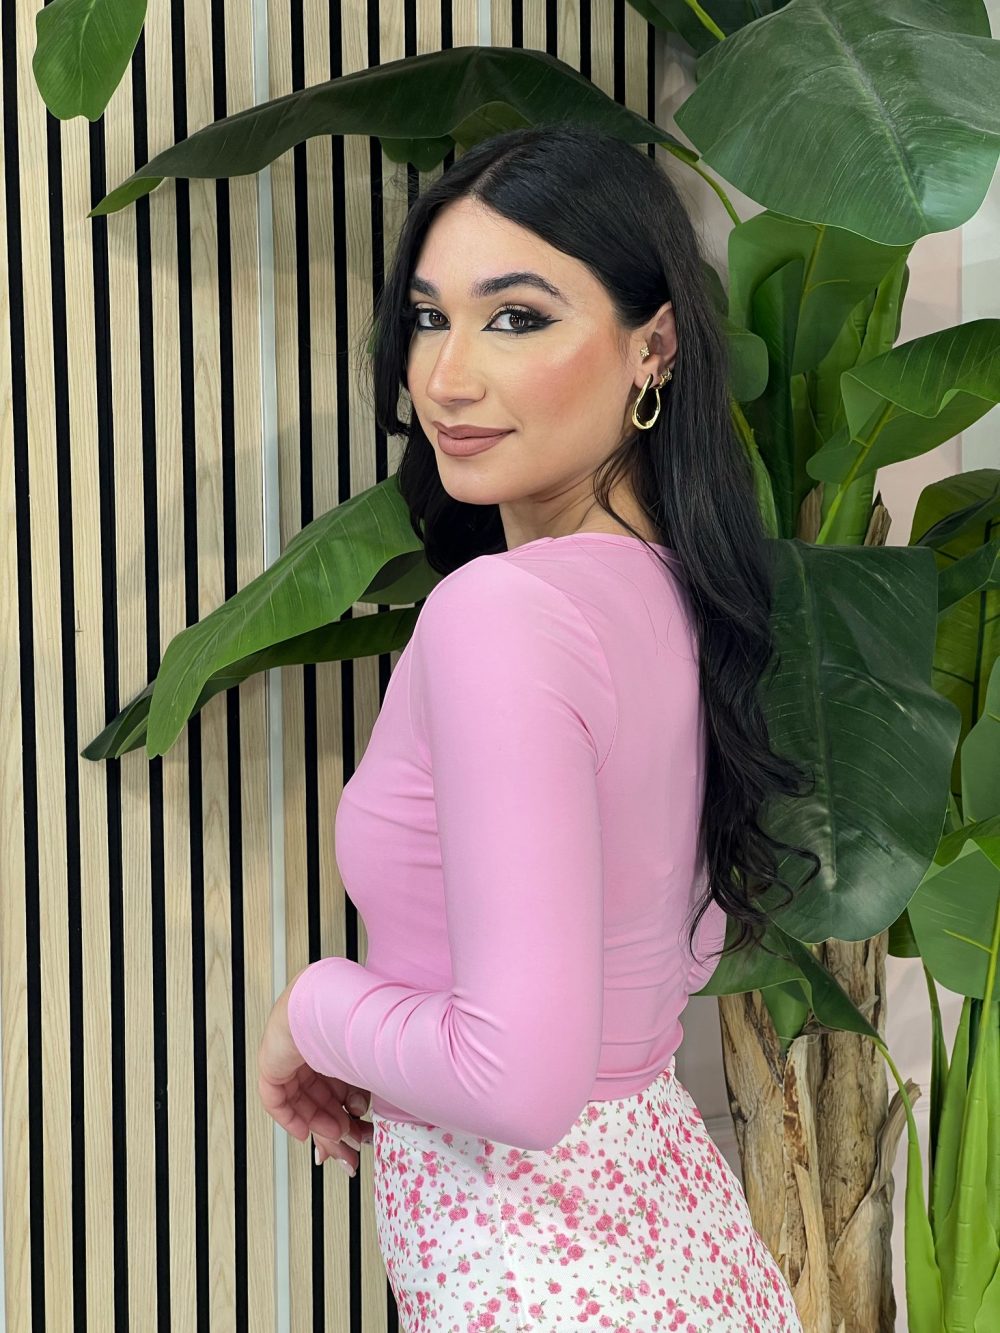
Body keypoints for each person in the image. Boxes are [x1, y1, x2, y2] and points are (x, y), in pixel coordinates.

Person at [257, 123, 819, 1331]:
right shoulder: (680, 598)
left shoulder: (503, 614)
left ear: (651, 347)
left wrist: (315, 1005)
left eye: (516, 317)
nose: (447, 377)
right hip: (684, 1243)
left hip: (544, 1278)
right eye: (428, 317)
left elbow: (516, 1080)